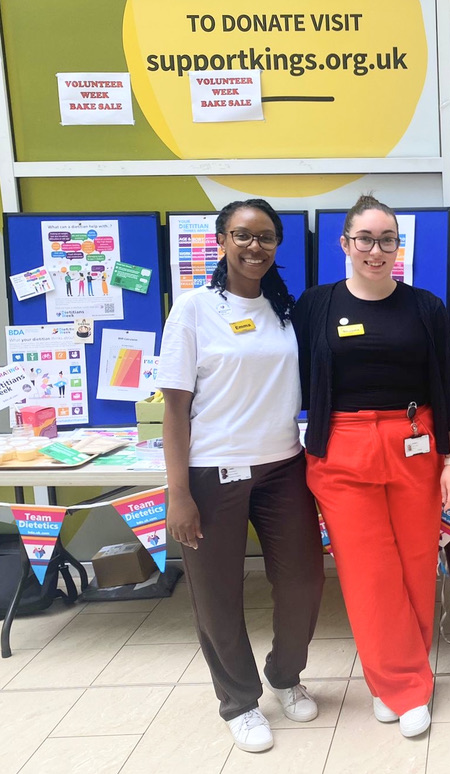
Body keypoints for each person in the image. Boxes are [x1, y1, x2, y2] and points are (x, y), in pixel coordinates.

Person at [293, 194, 450, 738]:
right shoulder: (314, 306)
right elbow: (279, 375)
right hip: (341, 450)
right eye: (365, 239)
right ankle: (405, 686)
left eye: (386, 239)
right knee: (369, 573)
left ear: (399, 246)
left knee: (416, 564)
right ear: (345, 244)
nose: (376, 249)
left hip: (415, 443)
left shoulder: (425, 307)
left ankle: (394, 679)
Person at [159, 198, 324, 753]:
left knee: (303, 580)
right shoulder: (193, 310)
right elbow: (176, 407)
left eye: (266, 237)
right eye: (243, 236)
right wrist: (177, 492)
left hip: (283, 466)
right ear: (221, 240)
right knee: (217, 593)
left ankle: (285, 673)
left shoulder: (285, 310)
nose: (255, 247)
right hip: (212, 471)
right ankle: (240, 701)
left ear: (278, 245)